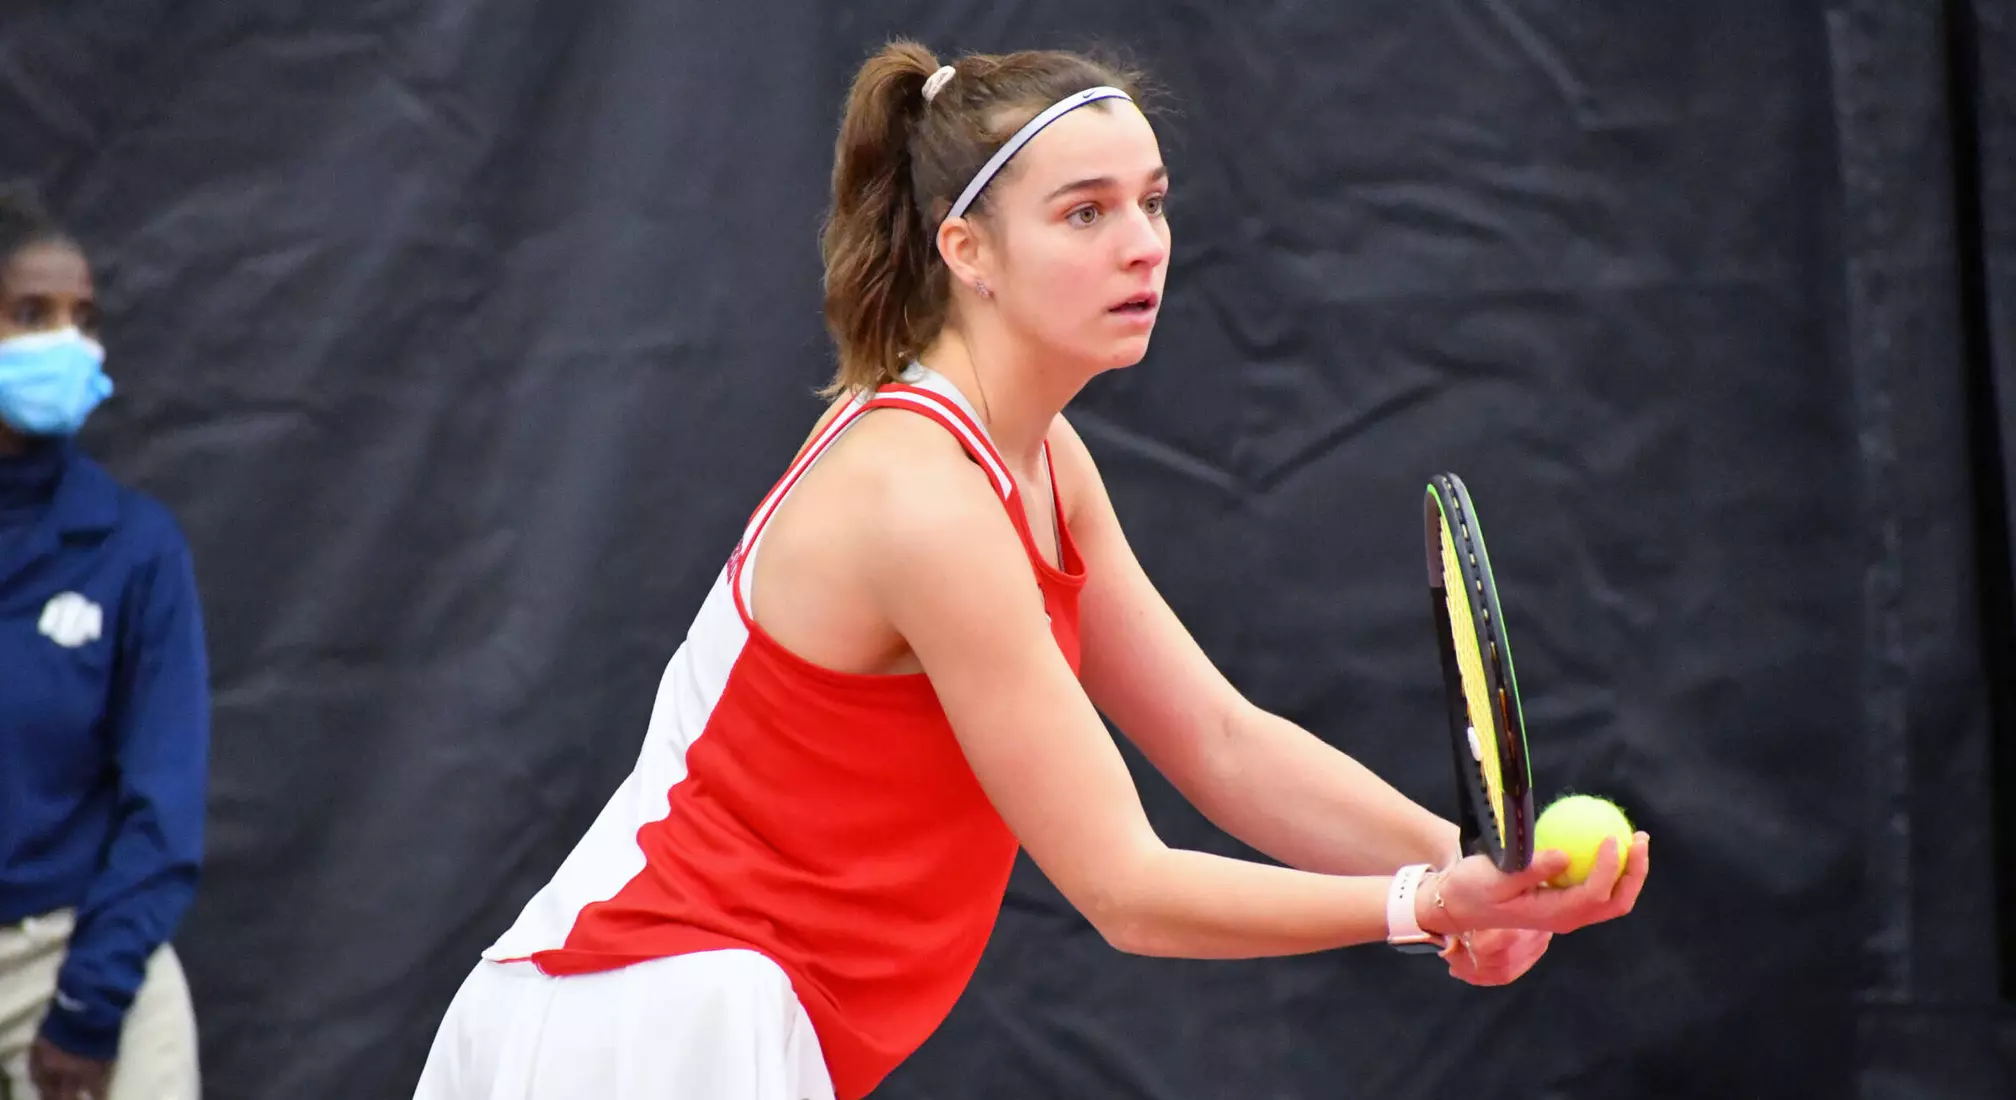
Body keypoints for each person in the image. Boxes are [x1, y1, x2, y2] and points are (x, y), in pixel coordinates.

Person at [415, 40, 1650, 1100]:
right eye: (1085, 212)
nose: (1143, 245)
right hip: (635, 1019)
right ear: (969, 251)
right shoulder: (920, 496)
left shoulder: (1042, 460)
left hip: (707, 1016)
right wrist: (1419, 903)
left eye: (1153, 202)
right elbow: (1125, 887)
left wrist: (1480, 868)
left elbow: (1218, 739)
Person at [0, 183, 209, 1100]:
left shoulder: (132, 547)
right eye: (29, 314)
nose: (65, 343)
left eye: (82, 319)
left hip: (75, 954)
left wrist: (89, 1007)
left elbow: (162, 804)